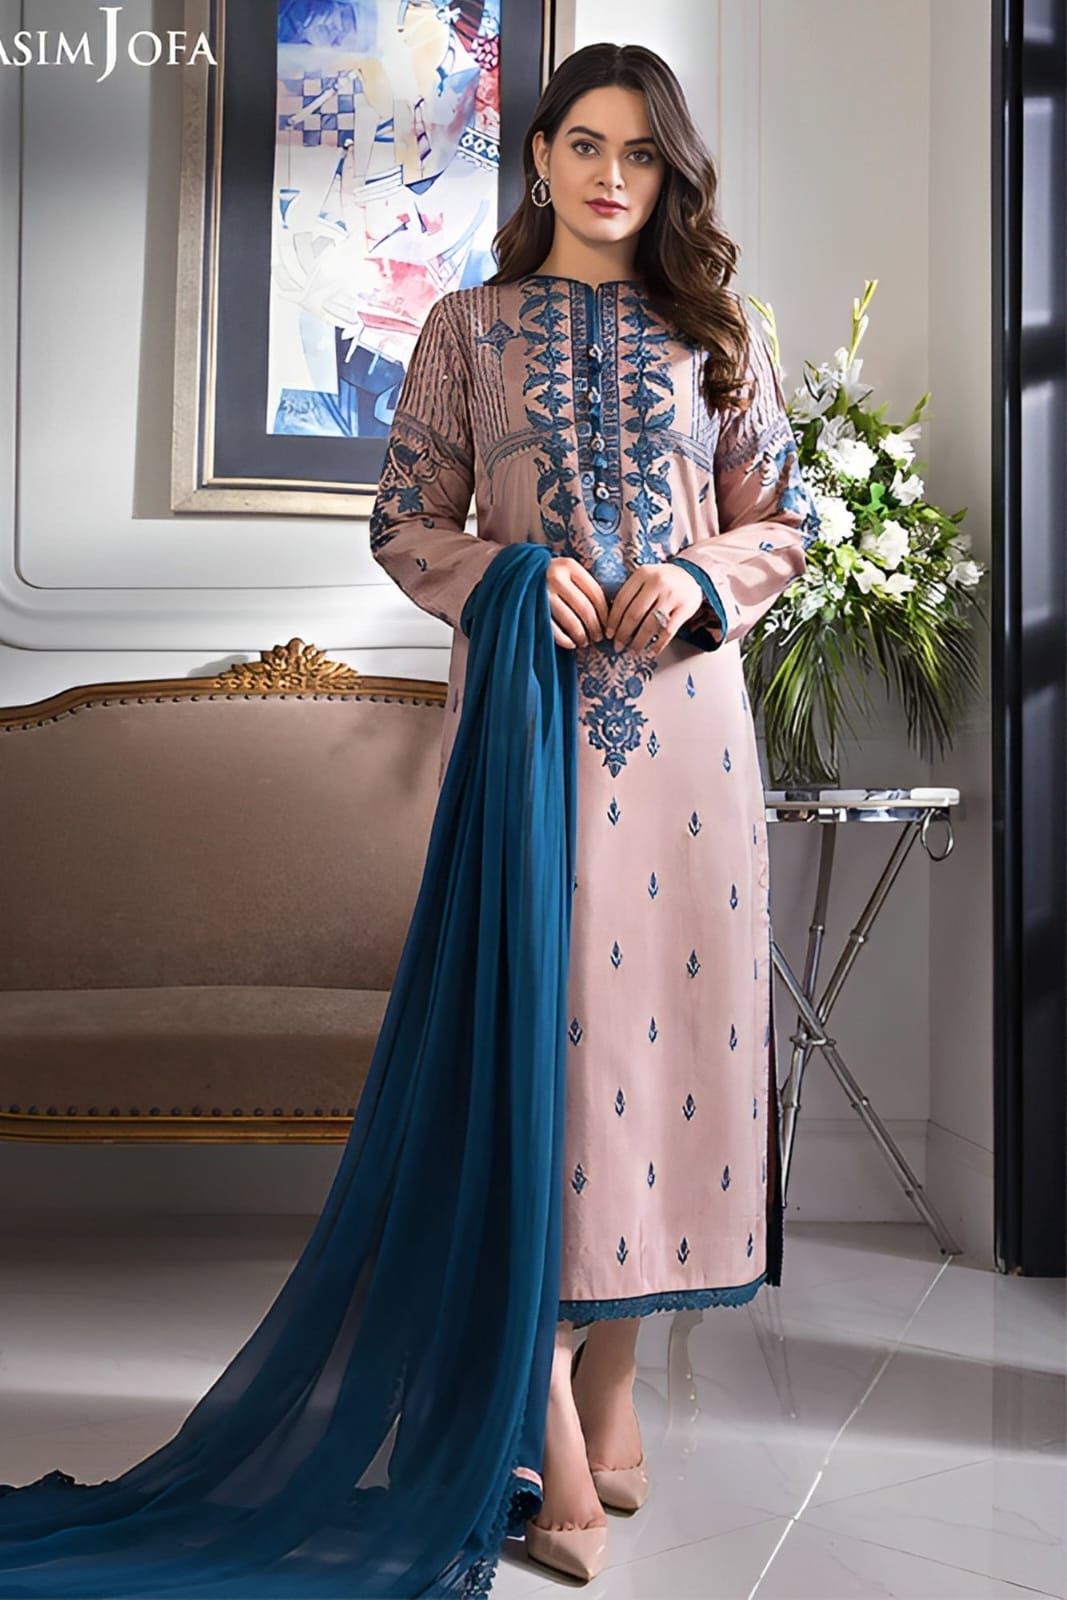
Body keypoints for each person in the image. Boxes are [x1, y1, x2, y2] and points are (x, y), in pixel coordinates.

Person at [369, 37, 821, 1585]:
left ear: (667, 171)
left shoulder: (720, 335)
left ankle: (611, 1404)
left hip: (691, 746)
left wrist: (697, 575)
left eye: (640, 152)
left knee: (667, 1050)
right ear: (541, 155)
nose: (612, 176)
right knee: (555, 1053)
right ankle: (544, 1419)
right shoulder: (467, 327)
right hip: (534, 731)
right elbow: (404, 519)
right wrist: (510, 574)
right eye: (585, 145)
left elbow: (783, 521)